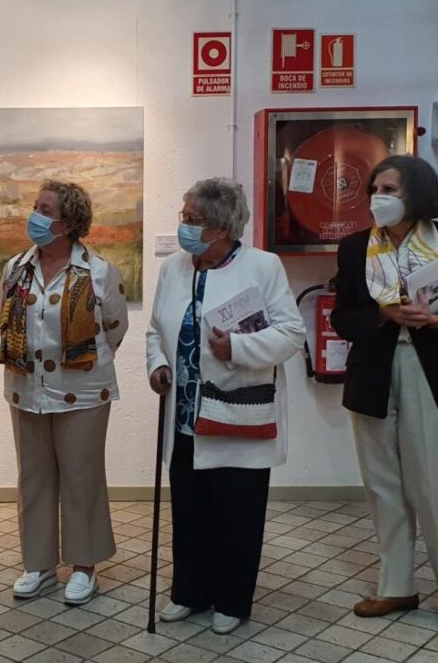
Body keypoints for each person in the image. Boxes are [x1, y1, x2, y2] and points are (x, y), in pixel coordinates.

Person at [146, 177, 304, 634]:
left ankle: (232, 600)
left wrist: (237, 348)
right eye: (184, 217)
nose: (185, 227)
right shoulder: (174, 268)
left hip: (238, 412)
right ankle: (189, 593)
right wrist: (157, 364)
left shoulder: (262, 266)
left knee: (237, 512)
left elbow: (291, 333)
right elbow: (156, 329)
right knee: (190, 510)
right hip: (185, 414)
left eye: (193, 220)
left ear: (221, 228)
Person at [0, 179, 128, 606]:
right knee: (33, 478)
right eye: (35, 206)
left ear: (70, 222)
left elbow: (115, 328)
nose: (34, 215)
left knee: (81, 478)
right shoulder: (16, 267)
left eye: (45, 209)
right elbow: (7, 318)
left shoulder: (99, 271)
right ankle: (38, 563)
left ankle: (84, 566)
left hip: (84, 394)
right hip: (26, 389)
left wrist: (80, 362)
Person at [331, 155, 438, 618]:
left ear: (415, 194)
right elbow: (343, 317)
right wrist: (383, 313)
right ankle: (396, 586)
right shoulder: (356, 248)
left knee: (431, 483)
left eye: (390, 190)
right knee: (382, 485)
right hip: (372, 373)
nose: (379, 198)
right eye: (376, 189)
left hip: (426, 370)